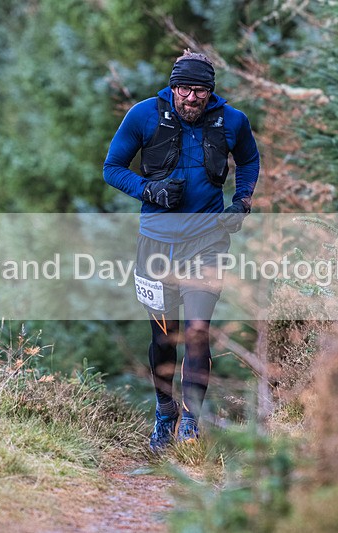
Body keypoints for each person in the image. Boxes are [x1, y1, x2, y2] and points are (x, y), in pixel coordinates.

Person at [103, 49, 260, 452]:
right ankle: (164, 414)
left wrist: (241, 202)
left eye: (200, 91)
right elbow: (112, 168)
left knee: (197, 334)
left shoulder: (232, 121)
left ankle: (191, 421)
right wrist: (148, 188)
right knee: (163, 337)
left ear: (211, 92)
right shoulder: (143, 115)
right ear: (173, 87)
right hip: (155, 245)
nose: (191, 98)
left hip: (206, 244)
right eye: (184, 89)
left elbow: (249, 159)